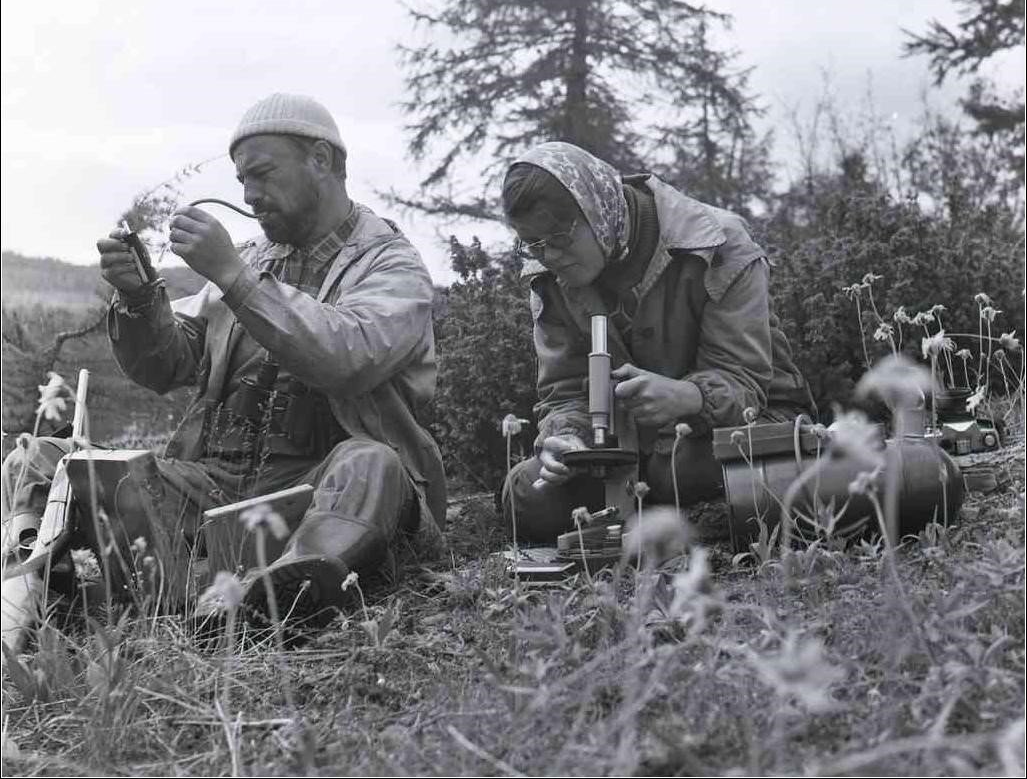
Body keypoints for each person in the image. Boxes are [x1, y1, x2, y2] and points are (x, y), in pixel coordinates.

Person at [2, 94, 445, 647]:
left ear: (323, 162)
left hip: (320, 490)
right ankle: (35, 587)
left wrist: (234, 275)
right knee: (45, 459)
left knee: (372, 462)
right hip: (213, 492)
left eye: (262, 174)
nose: (249, 195)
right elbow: (169, 364)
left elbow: (349, 358)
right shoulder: (251, 260)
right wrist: (141, 300)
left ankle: (292, 589)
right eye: (240, 179)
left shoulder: (390, 264)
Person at [501, 142, 813, 542]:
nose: (550, 256)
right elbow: (563, 391)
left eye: (559, 237)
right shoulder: (548, 278)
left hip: (739, 426)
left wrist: (688, 397)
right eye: (533, 244)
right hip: (625, 449)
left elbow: (746, 383)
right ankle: (659, 517)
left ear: (596, 211)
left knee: (679, 468)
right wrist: (566, 437)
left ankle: (652, 518)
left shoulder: (718, 243)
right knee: (527, 494)